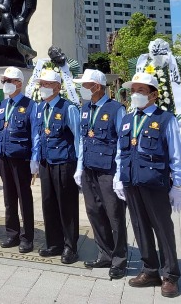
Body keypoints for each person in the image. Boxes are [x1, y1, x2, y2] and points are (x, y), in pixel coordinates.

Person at [118, 72, 181, 298]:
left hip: (154, 182)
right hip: (131, 181)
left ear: (154, 95)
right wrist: (120, 177)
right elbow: (121, 151)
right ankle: (150, 271)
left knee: (162, 228)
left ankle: (170, 276)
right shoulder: (128, 119)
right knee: (139, 226)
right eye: (133, 90)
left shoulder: (165, 119)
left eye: (141, 91)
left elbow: (176, 154)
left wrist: (177, 185)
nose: (135, 95)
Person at [72, 69, 128, 279]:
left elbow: (123, 142)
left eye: (85, 85)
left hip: (108, 170)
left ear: (97, 86)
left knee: (114, 216)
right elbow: (82, 140)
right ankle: (104, 254)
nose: (82, 89)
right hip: (89, 169)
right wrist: (79, 167)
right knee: (94, 212)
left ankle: (119, 259)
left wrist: (119, 174)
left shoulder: (116, 109)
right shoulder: (85, 107)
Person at [0, 67, 39, 251]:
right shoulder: (2, 105)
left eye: (8, 81)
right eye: (4, 81)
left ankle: (27, 237)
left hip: (21, 157)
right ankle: (12, 234)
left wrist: (35, 158)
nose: (5, 84)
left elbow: (35, 134)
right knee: (9, 198)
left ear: (18, 83)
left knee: (24, 198)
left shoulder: (30, 105)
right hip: (3, 156)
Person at [34, 69, 81, 264]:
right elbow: (39, 135)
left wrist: (80, 167)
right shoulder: (41, 108)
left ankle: (70, 246)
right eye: (41, 84)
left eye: (46, 84)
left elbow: (78, 137)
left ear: (57, 87)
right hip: (46, 162)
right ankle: (54, 243)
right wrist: (35, 160)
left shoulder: (67, 108)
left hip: (64, 163)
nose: (42, 87)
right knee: (48, 203)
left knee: (67, 206)